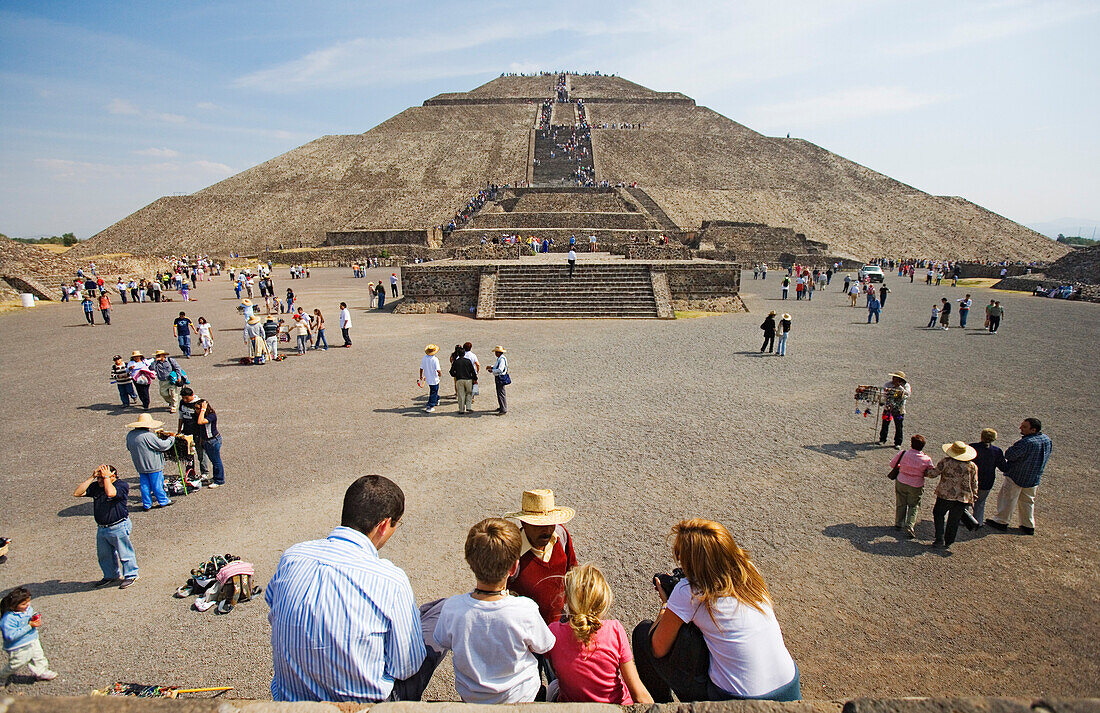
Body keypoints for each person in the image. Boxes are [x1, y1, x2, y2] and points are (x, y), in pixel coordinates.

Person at [265, 475, 438, 703]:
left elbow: (272, 604)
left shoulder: (293, 556)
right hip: (363, 707)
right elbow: (406, 667)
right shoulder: (390, 580)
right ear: (385, 525)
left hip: (292, 701)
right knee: (438, 614)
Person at [633, 519, 800, 702]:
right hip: (789, 686)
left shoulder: (689, 591)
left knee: (643, 634)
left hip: (739, 700)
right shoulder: (749, 572)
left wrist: (667, 605)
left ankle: (664, 706)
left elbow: (657, 649)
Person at [433, 518, 555, 703]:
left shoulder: (452, 608)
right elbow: (544, 645)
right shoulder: (525, 609)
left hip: (473, 699)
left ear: (470, 562)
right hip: (522, 698)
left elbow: (442, 640)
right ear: (514, 567)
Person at [548, 563, 653, 704]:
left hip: (573, 706)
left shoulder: (554, 632)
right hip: (615, 706)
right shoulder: (614, 630)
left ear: (566, 598)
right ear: (603, 599)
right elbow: (637, 692)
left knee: (552, 687)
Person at [505, 489, 578, 624]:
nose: (547, 530)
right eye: (539, 525)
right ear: (523, 523)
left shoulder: (561, 536)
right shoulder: (512, 553)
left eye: (551, 523)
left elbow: (574, 575)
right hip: (526, 633)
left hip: (559, 625)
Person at [73, 464, 139, 588]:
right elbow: (77, 493)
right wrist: (91, 477)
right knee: (105, 555)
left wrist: (106, 478)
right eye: (98, 478)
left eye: (101, 478)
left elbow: (110, 493)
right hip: (102, 528)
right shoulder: (96, 486)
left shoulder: (121, 485)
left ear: (112, 476)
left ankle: (131, 575)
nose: (99, 481)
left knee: (125, 553)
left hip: (118, 525)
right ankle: (111, 575)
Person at [987, 418, 1052, 535]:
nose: (1020, 428)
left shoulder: (1026, 443)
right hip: (1034, 476)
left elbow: (1010, 455)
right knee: (1028, 501)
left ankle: (1001, 521)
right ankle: (1028, 525)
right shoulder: (1046, 440)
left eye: (1024, 427)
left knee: (1008, 499)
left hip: (1017, 475)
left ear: (1033, 429)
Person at [928, 441, 979, 550]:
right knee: (954, 520)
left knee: (938, 514)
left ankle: (939, 539)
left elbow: (933, 474)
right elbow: (974, 483)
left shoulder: (946, 462)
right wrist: (974, 495)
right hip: (962, 497)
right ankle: (949, 540)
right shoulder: (972, 466)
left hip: (945, 495)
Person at [1, 587, 58, 683]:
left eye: (28, 602)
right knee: (17, 663)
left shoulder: (28, 610)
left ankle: (41, 672)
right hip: (18, 645)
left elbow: (28, 619)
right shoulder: (8, 620)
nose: (27, 605)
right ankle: (2, 676)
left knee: (38, 656)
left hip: (32, 638)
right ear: (13, 606)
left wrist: (34, 619)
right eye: (23, 604)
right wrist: (29, 625)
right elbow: (10, 636)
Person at [124, 413, 175, 511]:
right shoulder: (148, 435)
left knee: (144, 485)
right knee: (157, 484)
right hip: (153, 464)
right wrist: (171, 438)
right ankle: (163, 501)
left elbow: (128, 447)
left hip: (140, 464)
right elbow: (163, 446)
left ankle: (147, 504)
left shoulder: (130, 435)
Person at [889, 435, 936, 538]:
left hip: (901, 481)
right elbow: (931, 473)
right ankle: (910, 525)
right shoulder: (926, 459)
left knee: (901, 502)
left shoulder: (903, 454)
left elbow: (892, 464)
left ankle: (898, 523)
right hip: (916, 484)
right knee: (913, 505)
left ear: (911, 444)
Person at [178, 387, 225, 488]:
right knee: (213, 460)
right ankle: (216, 477)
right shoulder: (199, 414)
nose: (196, 411)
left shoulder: (211, 415)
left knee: (216, 461)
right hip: (206, 440)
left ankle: (219, 480)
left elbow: (200, 421)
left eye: (198, 408)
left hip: (213, 440)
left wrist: (203, 409)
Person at [970, 428, 1006, 525]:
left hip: (971, 479)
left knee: (965, 501)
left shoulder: (972, 447)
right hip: (987, 480)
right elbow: (1003, 467)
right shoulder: (997, 451)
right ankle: (978, 521)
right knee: (980, 503)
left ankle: (963, 519)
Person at [879, 372, 910, 448]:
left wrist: (899, 387)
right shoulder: (888, 384)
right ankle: (882, 439)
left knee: (899, 426)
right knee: (885, 424)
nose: (893, 379)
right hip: (888, 407)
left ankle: (898, 442)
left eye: (895, 378)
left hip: (899, 409)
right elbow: (883, 392)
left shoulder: (906, 386)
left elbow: (907, 394)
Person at [450, 346, 476, 413]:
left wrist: (455, 375)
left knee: (461, 395)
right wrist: (475, 378)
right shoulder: (468, 361)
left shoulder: (456, 362)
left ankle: (461, 409)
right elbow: (472, 371)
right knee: (469, 393)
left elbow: (451, 371)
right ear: (464, 354)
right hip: (468, 379)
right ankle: (468, 407)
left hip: (459, 379)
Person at [420, 344, 442, 413]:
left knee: (433, 390)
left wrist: (421, 376)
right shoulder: (435, 359)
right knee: (433, 391)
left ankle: (437, 399)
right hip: (434, 378)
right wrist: (440, 374)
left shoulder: (424, 358)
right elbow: (438, 370)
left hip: (428, 378)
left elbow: (421, 368)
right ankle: (430, 405)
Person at [490, 346, 509, 414]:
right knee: (500, 392)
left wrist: (492, 370)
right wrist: (492, 368)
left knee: (501, 393)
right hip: (499, 377)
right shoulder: (500, 358)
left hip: (500, 377)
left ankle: (503, 409)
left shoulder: (501, 359)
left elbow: (500, 369)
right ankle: (502, 406)